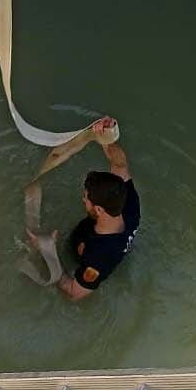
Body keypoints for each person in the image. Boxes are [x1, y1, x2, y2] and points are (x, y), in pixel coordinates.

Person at [30, 117, 141, 302]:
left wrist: (48, 252)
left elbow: (75, 293)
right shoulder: (129, 203)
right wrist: (108, 136)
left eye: (85, 198)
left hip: (78, 258)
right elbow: (119, 164)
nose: (83, 200)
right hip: (100, 238)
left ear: (98, 209)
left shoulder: (98, 258)